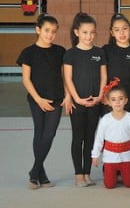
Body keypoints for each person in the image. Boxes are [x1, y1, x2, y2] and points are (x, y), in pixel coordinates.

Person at [17, 14, 68, 189]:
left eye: (53, 32)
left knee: (49, 134)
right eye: (47, 30)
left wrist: (68, 94)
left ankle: (34, 172)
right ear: (38, 29)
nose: (50, 35)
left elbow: (65, 76)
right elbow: (26, 79)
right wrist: (38, 99)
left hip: (56, 98)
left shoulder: (60, 51)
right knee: (39, 133)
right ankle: (41, 175)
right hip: (36, 99)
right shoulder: (28, 52)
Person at [63, 12, 107, 187]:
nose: (89, 36)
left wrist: (100, 96)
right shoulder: (70, 54)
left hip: (95, 102)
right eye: (85, 32)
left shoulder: (99, 52)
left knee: (90, 138)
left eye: (92, 33)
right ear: (77, 33)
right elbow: (68, 79)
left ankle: (87, 172)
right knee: (78, 138)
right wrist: (76, 99)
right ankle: (78, 174)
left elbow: (103, 76)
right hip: (78, 103)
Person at [91, 81, 130, 189]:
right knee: (109, 185)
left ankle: (122, 174)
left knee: (129, 184)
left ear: (126, 100)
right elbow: (99, 138)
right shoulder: (105, 119)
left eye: (120, 98)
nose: (117, 102)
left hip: (126, 156)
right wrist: (95, 155)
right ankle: (108, 171)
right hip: (110, 156)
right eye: (113, 99)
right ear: (108, 102)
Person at [103, 13, 130, 113]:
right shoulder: (106, 50)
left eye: (124, 29)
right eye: (117, 30)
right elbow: (101, 75)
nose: (121, 33)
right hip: (111, 100)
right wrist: (103, 96)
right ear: (112, 33)